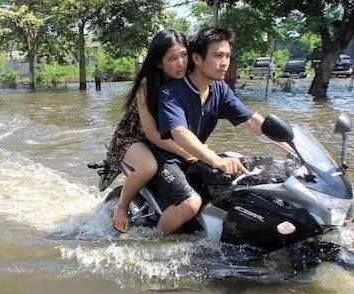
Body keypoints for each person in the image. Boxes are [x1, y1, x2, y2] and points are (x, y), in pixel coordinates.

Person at [149, 27, 266, 235]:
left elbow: (253, 120)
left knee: (251, 178)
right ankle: (153, 243)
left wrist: (290, 142)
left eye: (228, 56)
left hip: (195, 155)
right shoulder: (172, 91)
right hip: (165, 158)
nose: (225, 62)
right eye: (218, 55)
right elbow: (180, 132)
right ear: (197, 58)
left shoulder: (219, 89)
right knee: (191, 203)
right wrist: (215, 159)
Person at [102, 30, 198, 233]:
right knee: (148, 167)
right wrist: (186, 152)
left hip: (165, 139)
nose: (181, 63)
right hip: (134, 138)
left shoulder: (188, 81)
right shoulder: (146, 86)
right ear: (158, 63)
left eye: (183, 55)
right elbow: (152, 133)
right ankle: (122, 206)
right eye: (172, 58)